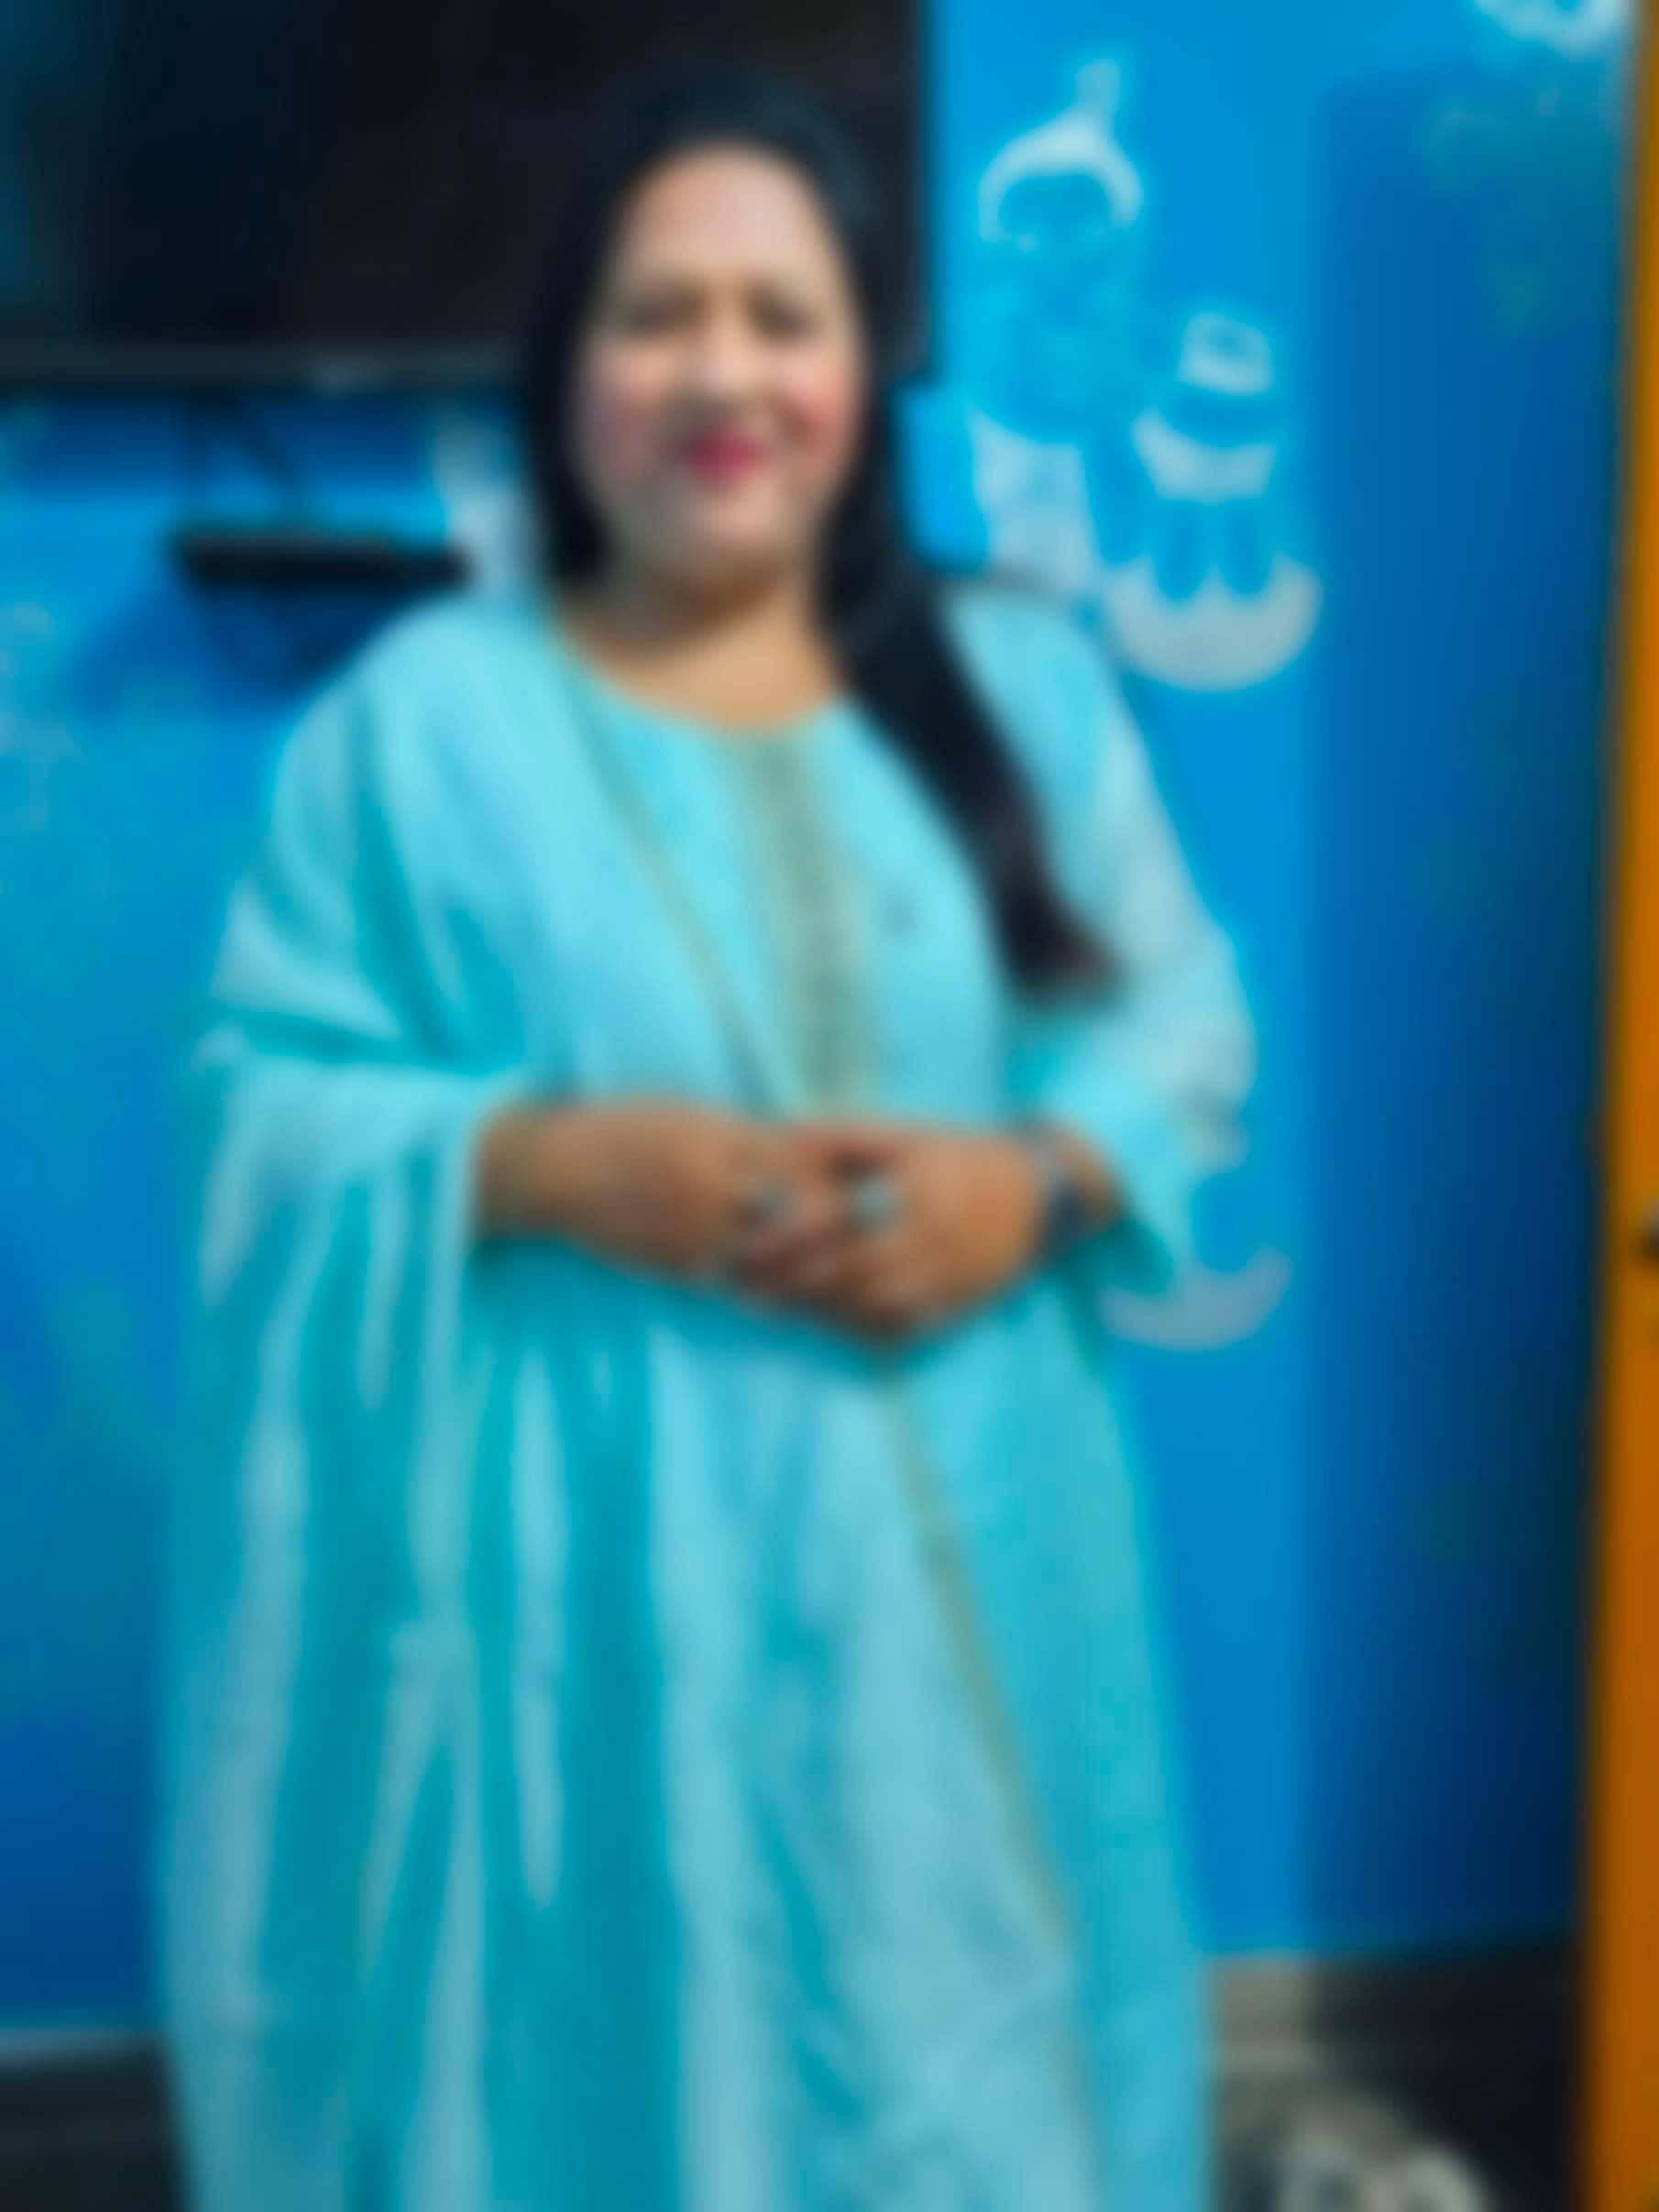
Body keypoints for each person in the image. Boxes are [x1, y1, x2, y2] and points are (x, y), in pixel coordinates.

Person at [161, 61, 1255, 2212]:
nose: (722, 374)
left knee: (952, 2059)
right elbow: (257, 1103)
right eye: (656, 315)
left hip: (957, 1564)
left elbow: (1180, 1017)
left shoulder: (1014, 688)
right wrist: (532, 1162)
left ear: (862, 373)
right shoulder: (416, 731)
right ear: (562, 371)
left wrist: (1026, 1180)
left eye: (782, 316)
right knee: (599, 2075)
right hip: (577, 1605)